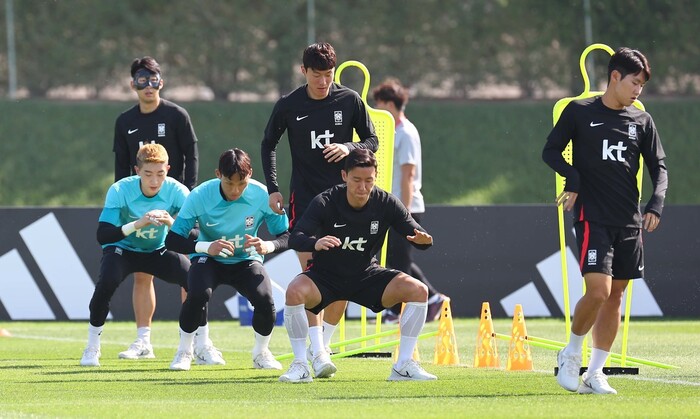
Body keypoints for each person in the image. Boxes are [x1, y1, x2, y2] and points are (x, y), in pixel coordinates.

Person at [542, 47, 668, 395]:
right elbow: (551, 150)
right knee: (599, 290)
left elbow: (659, 167)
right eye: (634, 82)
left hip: (628, 220)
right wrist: (574, 179)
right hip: (591, 216)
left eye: (642, 85)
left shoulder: (641, 121)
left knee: (616, 296)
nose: (638, 90)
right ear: (615, 76)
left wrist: (655, 203)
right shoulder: (579, 112)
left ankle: (595, 372)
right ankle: (570, 354)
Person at [261, 42, 379, 368]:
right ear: (304, 71)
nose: (323, 82)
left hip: (345, 203)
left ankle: (321, 348)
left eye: (328, 75)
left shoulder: (348, 100)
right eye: (317, 75)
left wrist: (348, 146)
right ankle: (317, 350)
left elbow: (372, 140)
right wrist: (273, 188)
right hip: (306, 199)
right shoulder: (288, 104)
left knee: (344, 276)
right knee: (312, 277)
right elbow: (268, 143)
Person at [279, 149, 437, 383]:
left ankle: (403, 365)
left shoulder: (385, 202)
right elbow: (295, 237)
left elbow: (415, 232)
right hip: (326, 276)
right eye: (356, 180)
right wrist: (316, 242)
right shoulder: (326, 201)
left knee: (418, 291)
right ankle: (301, 364)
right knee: (294, 291)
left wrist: (426, 239)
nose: (362, 187)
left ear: (375, 177)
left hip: (366, 275)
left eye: (368, 181)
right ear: (344, 176)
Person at [165, 148, 290, 371]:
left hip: (246, 260)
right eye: (229, 183)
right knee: (198, 294)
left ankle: (261, 353)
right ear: (217, 174)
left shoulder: (262, 195)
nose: (235, 190)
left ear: (250, 174)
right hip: (208, 259)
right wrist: (206, 247)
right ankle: (185, 351)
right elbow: (172, 240)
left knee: (265, 299)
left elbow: (287, 236)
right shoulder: (200, 195)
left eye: (241, 183)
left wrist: (267, 245)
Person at [112, 56, 203, 360]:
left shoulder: (177, 115)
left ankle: (197, 341)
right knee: (142, 273)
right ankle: (143, 342)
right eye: (141, 80)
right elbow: (121, 169)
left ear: (161, 82)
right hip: (141, 206)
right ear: (132, 84)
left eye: (153, 80)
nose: (148, 87)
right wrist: (125, 206)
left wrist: (188, 199)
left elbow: (191, 155)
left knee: (191, 271)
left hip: (176, 206)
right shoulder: (125, 121)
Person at [80, 144, 195, 366]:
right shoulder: (120, 190)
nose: (154, 181)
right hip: (123, 249)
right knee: (107, 282)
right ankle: (92, 347)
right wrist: (137, 223)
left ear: (168, 169)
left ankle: (192, 348)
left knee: (195, 280)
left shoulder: (178, 191)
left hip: (158, 249)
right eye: (148, 174)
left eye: (160, 174)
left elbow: (194, 236)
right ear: (137, 171)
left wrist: (172, 223)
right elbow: (103, 235)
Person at [372, 78, 448, 323]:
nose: (377, 110)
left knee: (398, 259)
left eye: (379, 104)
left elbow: (409, 173)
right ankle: (434, 298)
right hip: (393, 205)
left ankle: (397, 310)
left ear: (389, 104)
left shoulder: (406, 132)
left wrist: (401, 212)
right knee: (397, 258)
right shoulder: (393, 131)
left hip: (407, 206)